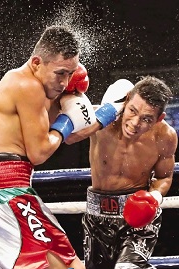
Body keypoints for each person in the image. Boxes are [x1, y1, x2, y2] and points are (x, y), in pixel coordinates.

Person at [0, 25, 102, 269]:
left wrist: (96, 113)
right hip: (5, 193)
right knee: (67, 265)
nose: (65, 82)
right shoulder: (30, 87)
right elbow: (38, 152)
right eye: (60, 73)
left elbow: (52, 132)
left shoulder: (15, 80)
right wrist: (66, 122)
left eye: (70, 74)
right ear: (37, 62)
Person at [66, 75, 178, 269]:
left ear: (159, 118)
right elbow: (67, 135)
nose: (135, 123)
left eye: (146, 119)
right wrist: (69, 95)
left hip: (138, 220)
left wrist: (154, 198)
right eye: (132, 111)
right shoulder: (99, 120)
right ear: (126, 101)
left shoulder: (165, 135)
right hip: (97, 217)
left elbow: (164, 176)